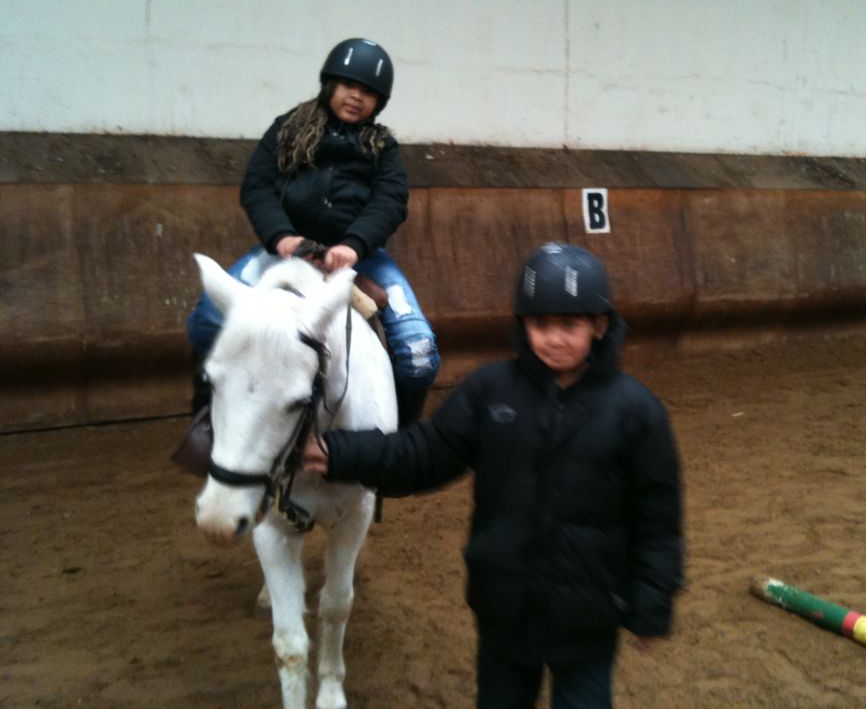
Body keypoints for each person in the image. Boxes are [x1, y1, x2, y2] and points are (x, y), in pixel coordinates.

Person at [303, 242, 684, 709]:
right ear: (523, 325)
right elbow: (424, 453)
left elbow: (658, 516)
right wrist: (341, 452)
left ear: (600, 326)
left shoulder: (635, 410)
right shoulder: (489, 391)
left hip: (588, 617)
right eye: (541, 324)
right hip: (504, 609)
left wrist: (651, 603)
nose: (555, 338)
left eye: (570, 324)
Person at [186, 37, 440, 427]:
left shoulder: (383, 148)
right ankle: (211, 421)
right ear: (330, 84)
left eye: (369, 92)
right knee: (206, 321)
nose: (357, 96)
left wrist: (353, 246)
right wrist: (281, 236)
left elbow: (390, 201)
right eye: (349, 85)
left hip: (361, 258)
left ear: (379, 102)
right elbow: (257, 185)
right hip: (284, 251)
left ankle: (398, 451)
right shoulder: (286, 129)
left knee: (418, 352)